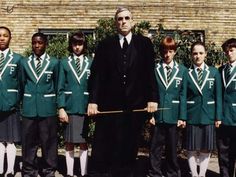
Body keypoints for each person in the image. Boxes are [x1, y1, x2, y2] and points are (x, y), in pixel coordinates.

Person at [87, 7, 158, 177]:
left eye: (127, 18)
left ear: (132, 21)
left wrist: (152, 99)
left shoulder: (144, 44)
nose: (123, 21)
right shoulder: (105, 45)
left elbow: (150, 73)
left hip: (135, 106)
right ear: (115, 23)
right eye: (119, 19)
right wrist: (93, 101)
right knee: (108, 146)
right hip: (110, 106)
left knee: (129, 146)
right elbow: (97, 75)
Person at [20, 32, 59, 177]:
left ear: (45, 44)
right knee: (28, 142)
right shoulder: (24, 62)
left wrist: (58, 105)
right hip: (29, 108)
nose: (37, 45)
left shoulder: (54, 62)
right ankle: (29, 170)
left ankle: (49, 170)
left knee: (48, 142)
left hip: (47, 108)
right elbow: (21, 83)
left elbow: (57, 84)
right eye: (34, 43)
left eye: (40, 42)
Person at [148, 36, 187, 177]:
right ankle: (154, 172)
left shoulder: (182, 70)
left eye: (170, 51)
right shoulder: (155, 68)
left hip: (174, 115)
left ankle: (172, 172)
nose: (167, 54)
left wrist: (182, 117)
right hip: (158, 115)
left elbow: (183, 95)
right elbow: (150, 92)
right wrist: (151, 115)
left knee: (172, 148)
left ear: (175, 52)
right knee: (155, 147)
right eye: (165, 51)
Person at [57, 31, 92, 177]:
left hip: (85, 106)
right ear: (70, 45)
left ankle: (84, 172)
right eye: (74, 44)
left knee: (84, 142)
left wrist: (94, 104)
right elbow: (60, 87)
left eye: (80, 44)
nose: (77, 47)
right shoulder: (64, 62)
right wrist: (61, 108)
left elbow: (95, 85)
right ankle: (70, 173)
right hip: (70, 107)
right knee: (69, 142)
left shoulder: (91, 62)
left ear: (84, 45)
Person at [185, 41, 222, 177]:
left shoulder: (214, 72)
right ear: (191, 55)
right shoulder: (186, 72)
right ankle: (194, 174)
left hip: (209, 115)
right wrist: (183, 117)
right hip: (192, 115)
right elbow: (183, 96)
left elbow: (218, 96)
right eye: (195, 53)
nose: (198, 56)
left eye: (201, 53)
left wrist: (218, 117)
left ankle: (202, 174)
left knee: (206, 148)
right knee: (191, 147)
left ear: (205, 54)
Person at [0, 26, 22, 176]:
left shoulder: (17, 59)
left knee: (11, 139)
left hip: (11, 104)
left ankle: (10, 169)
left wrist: (15, 100)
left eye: (5, 36)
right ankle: (0, 168)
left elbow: (21, 83)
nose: (1, 38)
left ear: (10, 38)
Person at [217, 38, 236, 177]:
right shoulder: (221, 70)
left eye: (232, 50)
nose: (229, 53)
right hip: (223, 117)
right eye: (226, 51)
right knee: (223, 153)